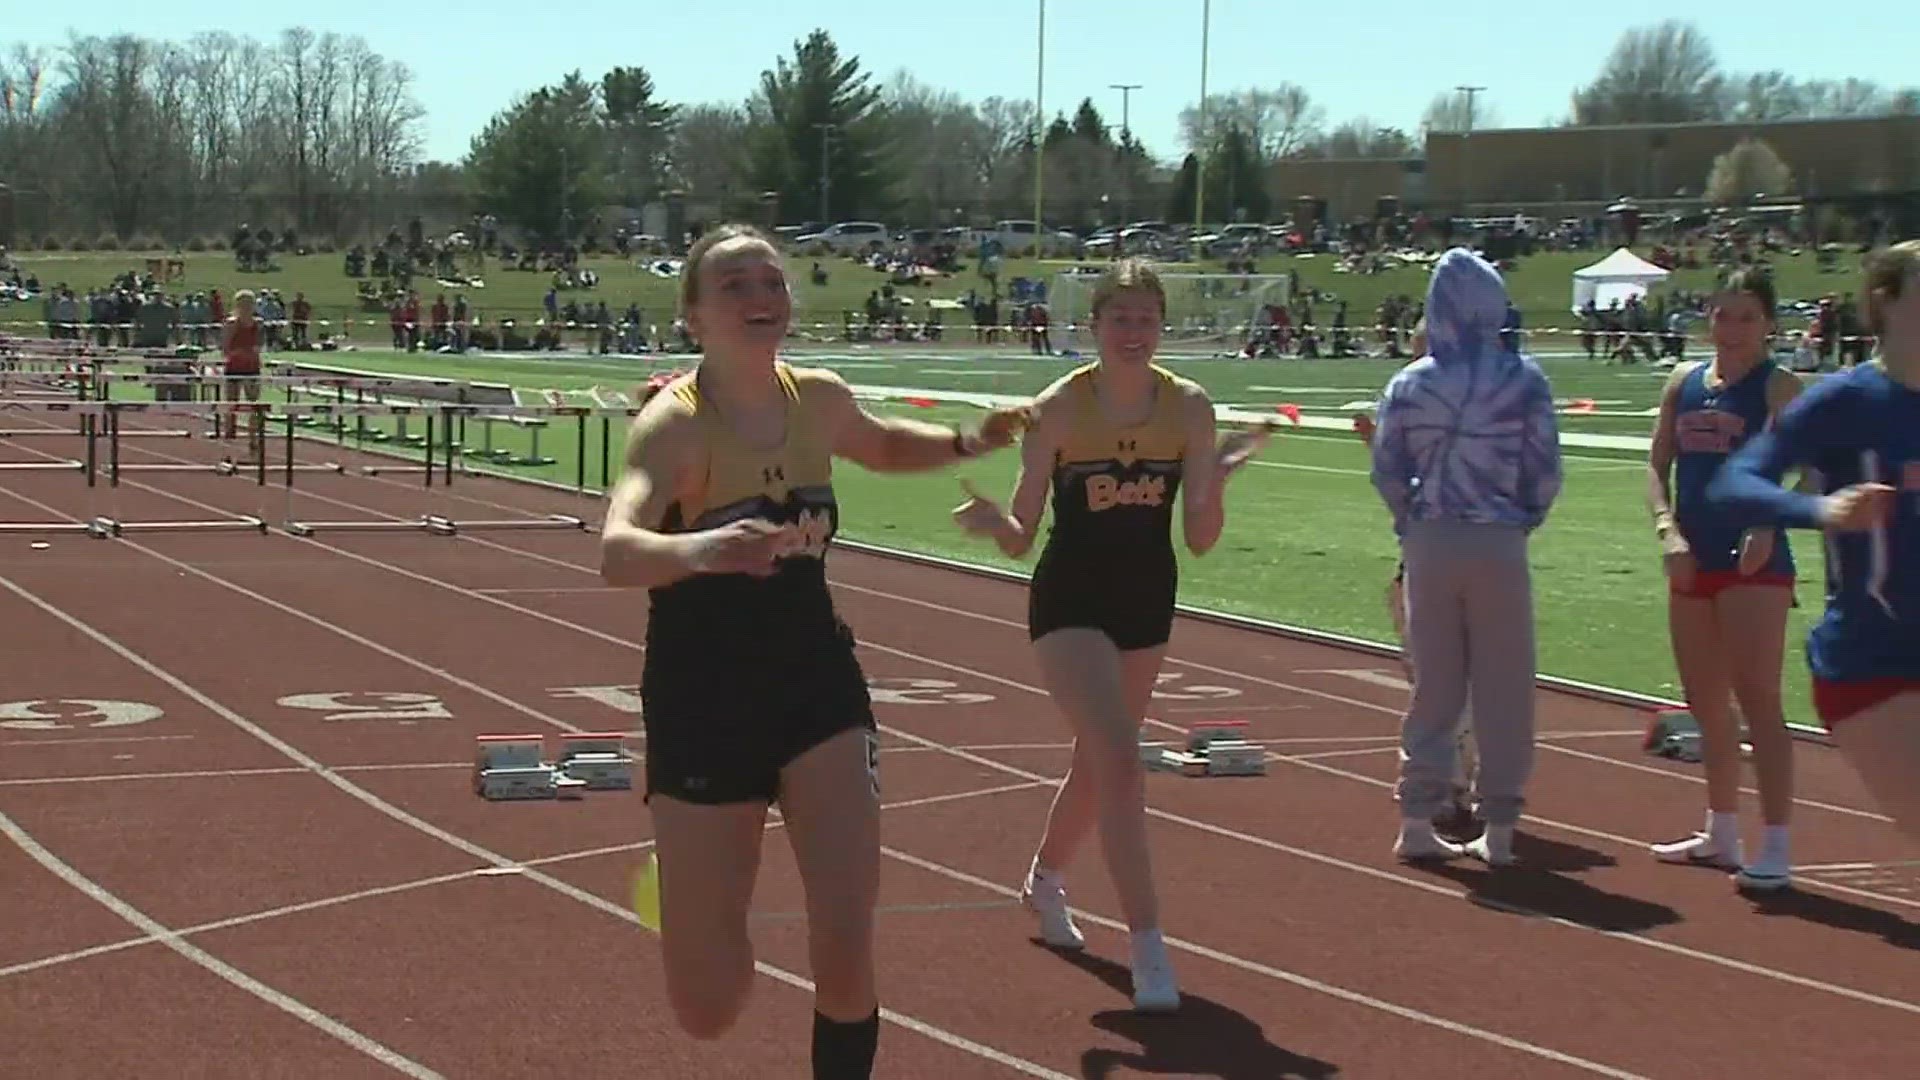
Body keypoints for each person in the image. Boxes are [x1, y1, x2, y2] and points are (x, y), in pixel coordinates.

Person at [598, 223, 1028, 1080]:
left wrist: (968, 442)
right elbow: (617, 548)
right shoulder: (674, 429)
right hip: (702, 704)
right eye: (733, 285)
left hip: (817, 689)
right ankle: (681, 889)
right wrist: (701, 551)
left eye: (771, 281)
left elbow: (878, 444)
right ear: (693, 318)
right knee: (709, 1007)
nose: (760, 297)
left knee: (845, 935)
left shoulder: (818, 399)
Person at [950, 257, 1270, 1013]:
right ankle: (1149, 945)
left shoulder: (1188, 408)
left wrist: (1215, 483)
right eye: (1119, 319)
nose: (1134, 333)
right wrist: (997, 522)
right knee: (1123, 761)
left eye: (1146, 320)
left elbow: (1198, 540)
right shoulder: (1059, 408)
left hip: (1146, 602)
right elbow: (1024, 534)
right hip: (1071, 601)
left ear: (1163, 326)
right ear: (1093, 326)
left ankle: (1046, 878)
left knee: (1098, 767)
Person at [1708, 239, 1920, 844]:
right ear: (1889, 302)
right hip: (1873, 664)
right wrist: (1818, 507)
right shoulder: (1847, 401)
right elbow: (1735, 482)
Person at [1368, 247, 1563, 868]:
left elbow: (1386, 467)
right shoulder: (1522, 378)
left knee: (1435, 684)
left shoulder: (1410, 382)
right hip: (1498, 538)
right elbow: (1545, 469)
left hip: (1430, 540)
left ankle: (1417, 816)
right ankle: (1498, 826)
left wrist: (1411, 519)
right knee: (1503, 685)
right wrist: (1523, 516)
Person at [1644, 268, 1805, 891]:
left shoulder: (1780, 387)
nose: (1731, 329)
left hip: (1753, 568)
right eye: (1721, 314)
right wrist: (1667, 530)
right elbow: (1657, 464)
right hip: (1692, 559)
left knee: (1759, 701)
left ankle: (1779, 842)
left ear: (1768, 323)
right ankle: (1721, 832)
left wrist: (1769, 519)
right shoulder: (1684, 382)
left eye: (1745, 317)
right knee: (1706, 704)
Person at [219, 288, 263, 445]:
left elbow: (259, 345)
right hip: (234, 367)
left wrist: (254, 352)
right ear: (238, 305)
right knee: (232, 403)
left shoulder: (258, 323)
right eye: (243, 304)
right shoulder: (231, 324)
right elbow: (225, 349)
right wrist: (240, 352)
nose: (247, 307)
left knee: (254, 405)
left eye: (249, 304)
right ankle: (229, 435)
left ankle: (254, 438)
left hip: (252, 367)